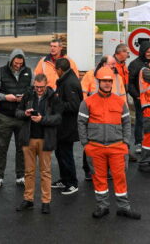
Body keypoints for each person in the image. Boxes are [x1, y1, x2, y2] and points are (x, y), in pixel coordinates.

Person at [78, 67, 141, 220]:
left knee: (120, 178)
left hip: (117, 147)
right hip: (95, 147)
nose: (107, 84)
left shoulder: (120, 101)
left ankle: (123, 208)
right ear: (98, 82)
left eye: (109, 81)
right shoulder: (88, 102)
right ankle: (102, 206)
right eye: (104, 81)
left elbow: (127, 123)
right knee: (99, 178)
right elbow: (81, 123)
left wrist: (125, 143)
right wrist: (86, 144)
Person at [15, 74, 63, 214]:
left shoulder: (54, 97)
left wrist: (42, 119)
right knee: (28, 172)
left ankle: (45, 201)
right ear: (34, 85)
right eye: (36, 87)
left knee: (45, 172)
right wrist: (25, 113)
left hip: (45, 140)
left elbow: (58, 118)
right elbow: (17, 112)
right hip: (28, 139)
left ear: (46, 84)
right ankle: (28, 199)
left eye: (41, 87)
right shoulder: (28, 95)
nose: (39, 90)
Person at [81, 55, 131, 180]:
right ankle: (88, 170)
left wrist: (124, 111)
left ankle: (107, 170)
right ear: (103, 64)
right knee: (91, 144)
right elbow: (83, 93)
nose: (114, 66)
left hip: (113, 114)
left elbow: (122, 96)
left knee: (110, 145)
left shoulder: (117, 78)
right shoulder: (90, 75)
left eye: (114, 64)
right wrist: (88, 108)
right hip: (94, 114)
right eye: (111, 64)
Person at [0, 49, 32, 189]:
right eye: (16, 63)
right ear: (11, 60)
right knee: (1, 148)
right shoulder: (0, 72)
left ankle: (20, 176)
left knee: (22, 148)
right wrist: (5, 97)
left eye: (20, 63)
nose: (18, 65)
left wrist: (25, 97)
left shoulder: (29, 73)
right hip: (5, 117)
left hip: (22, 117)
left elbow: (34, 90)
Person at [52, 58, 83, 195]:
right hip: (61, 126)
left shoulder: (69, 83)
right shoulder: (65, 80)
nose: (55, 72)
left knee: (66, 154)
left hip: (68, 127)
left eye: (56, 70)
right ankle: (64, 180)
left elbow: (75, 105)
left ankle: (72, 183)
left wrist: (57, 105)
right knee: (60, 153)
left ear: (60, 69)